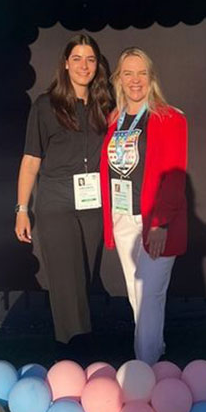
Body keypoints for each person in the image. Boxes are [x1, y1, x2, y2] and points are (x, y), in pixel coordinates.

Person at [16, 34, 114, 344]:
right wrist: (22, 209)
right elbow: (31, 160)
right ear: (65, 64)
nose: (84, 66)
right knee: (64, 278)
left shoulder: (107, 104)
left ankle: (81, 339)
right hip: (55, 201)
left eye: (90, 59)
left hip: (93, 201)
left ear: (97, 65)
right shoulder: (46, 105)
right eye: (77, 59)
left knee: (82, 275)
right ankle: (74, 346)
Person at [100, 47, 188, 364]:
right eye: (128, 73)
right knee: (137, 295)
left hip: (154, 220)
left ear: (151, 78)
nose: (135, 80)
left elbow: (174, 176)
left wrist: (160, 222)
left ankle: (144, 368)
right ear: (118, 79)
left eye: (141, 73)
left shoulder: (170, 118)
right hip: (122, 216)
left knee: (150, 295)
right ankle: (155, 349)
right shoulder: (113, 120)